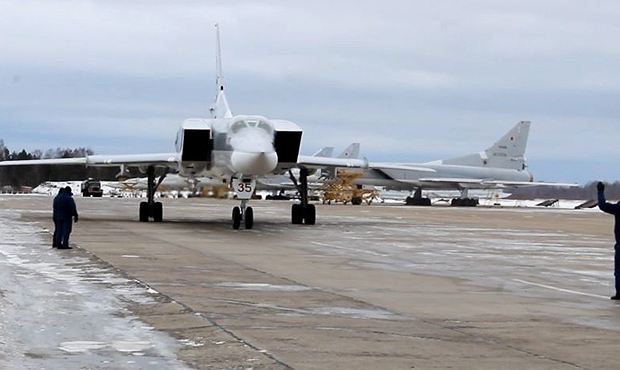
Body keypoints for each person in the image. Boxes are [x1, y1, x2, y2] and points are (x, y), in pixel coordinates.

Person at [597, 181, 620, 300]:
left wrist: (600, 192)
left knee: (619, 270)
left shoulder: (618, 208)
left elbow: (603, 205)